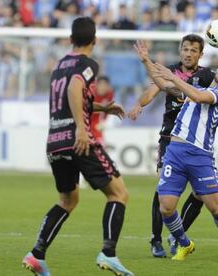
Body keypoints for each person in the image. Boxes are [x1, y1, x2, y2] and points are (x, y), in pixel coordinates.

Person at [21, 17, 134, 276]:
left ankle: (36, 254)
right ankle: (109, 253)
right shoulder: (88, 64)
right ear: (94, 41)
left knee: (68, 199)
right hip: (77, 139)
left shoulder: (60, 65)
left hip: (55, 141)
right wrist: (82, 130)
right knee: (119, 193)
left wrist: (102, 107)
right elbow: (75, 89)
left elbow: (70, 97)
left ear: (70, 39)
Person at [128, 35, 218, 258]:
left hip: (200, 151)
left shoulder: (215, 87)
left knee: (214, 206)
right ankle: (174, 240)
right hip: (172, 144)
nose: (189, 53)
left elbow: (203, 95)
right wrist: (145, 61)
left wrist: (176, 80)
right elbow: (162, 85)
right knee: (165, 200)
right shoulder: (188, 83)